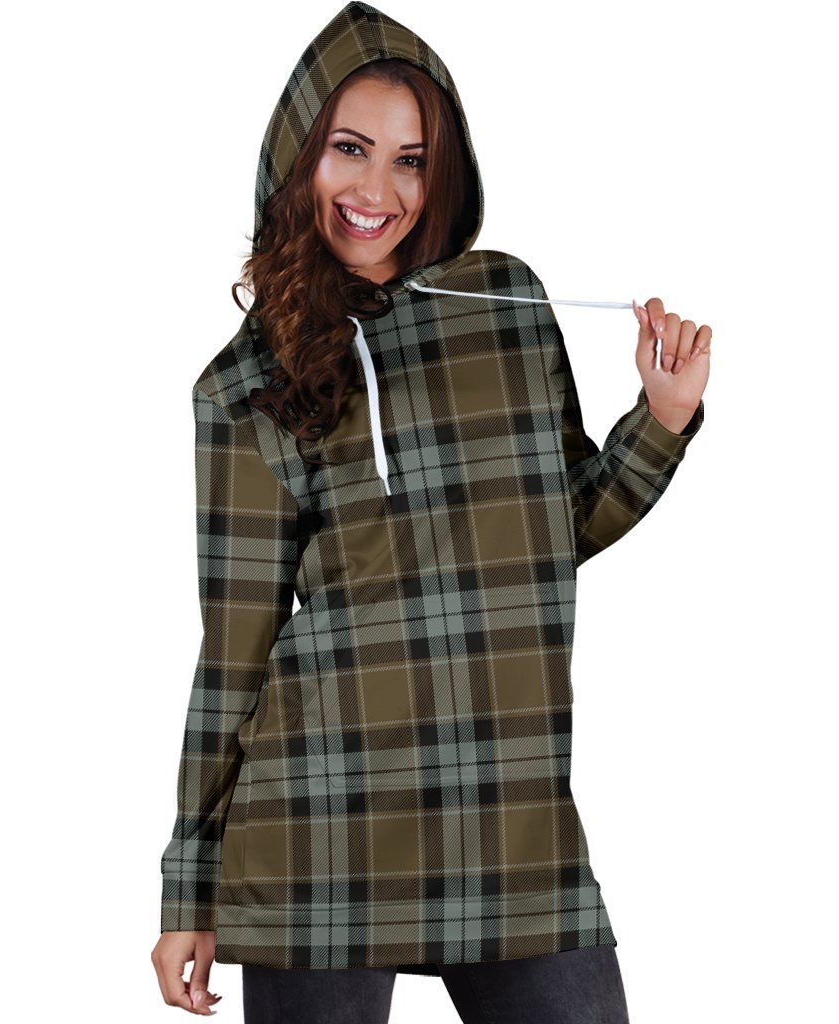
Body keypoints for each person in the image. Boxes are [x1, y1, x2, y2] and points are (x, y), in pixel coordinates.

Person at [151, 3, 711, 1021]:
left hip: (512, 820)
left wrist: (662, 419)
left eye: (410, 160)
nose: (378, 192)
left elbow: (560, 531)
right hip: (320, 831)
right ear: (297, 155)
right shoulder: (241, 389)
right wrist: (189, 885)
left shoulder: (506, 306)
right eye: (349, 150)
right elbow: (234, 651)